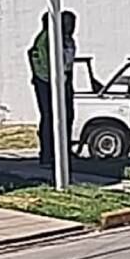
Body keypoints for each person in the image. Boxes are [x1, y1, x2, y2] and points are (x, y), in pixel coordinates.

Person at [28, 10, 77, 166]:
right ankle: (48, 153)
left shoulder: (67, 39)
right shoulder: (47, 38)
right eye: (67, 24)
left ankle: (64, 150)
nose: (71, 27)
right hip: (48, 82)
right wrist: (54, 80)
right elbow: (42, 61)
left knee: (68, 115)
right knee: (50, 116)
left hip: (64, 80)